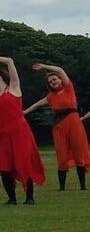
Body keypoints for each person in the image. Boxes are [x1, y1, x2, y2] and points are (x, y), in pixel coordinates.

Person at [24, 63, 90, 191]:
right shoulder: (51, 96)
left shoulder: (68, 88)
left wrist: (44, 67)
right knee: (61, 155)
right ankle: (62, 187)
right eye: (50, 82)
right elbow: (37, 104)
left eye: (54, 79)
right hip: (59, 126)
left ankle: (83, 186)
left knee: (79, 152)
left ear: (60, 79)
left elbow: (60, 69)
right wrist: (25, 112)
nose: (53, 82)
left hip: (74, 123)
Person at [0, 57, 45, 205]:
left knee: (23, 163)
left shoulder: (13, 88)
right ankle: (11, 199)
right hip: (3, 135)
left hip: (20, 132)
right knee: (4, 168)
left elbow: (10, 61)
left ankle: (29, 198)